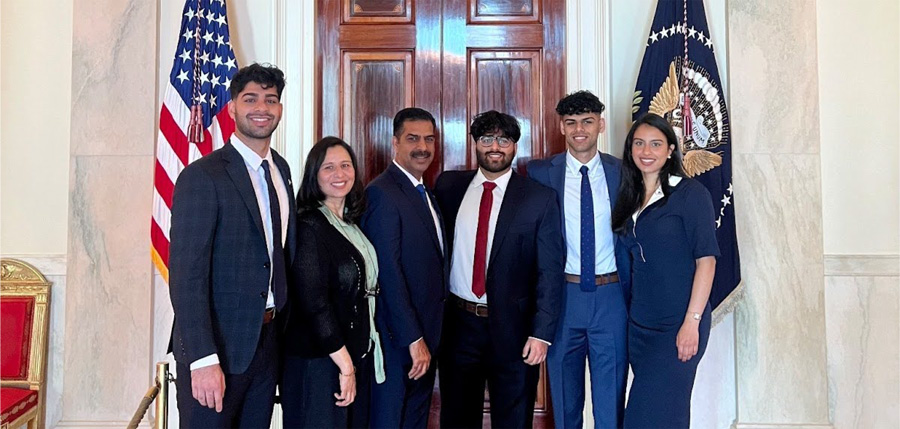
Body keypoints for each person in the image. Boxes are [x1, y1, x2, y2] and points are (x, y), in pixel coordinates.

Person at [168, 63, 293, 427]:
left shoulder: (281, 171)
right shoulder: (202, 176)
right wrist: (203, 359)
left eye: (271, 100)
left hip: (267, 345)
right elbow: (187, 276)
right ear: (233, 107)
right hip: (217, 350)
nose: (262, 108)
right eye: (250, 98)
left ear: (280, 110)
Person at [433, 111, 564, 428]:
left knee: (513, 419)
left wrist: (542, 333)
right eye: (487, 138)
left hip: (515, 330)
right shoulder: (449, 186)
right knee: (457, 417)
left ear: (515, 146)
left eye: (503, 139)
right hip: (459, 326)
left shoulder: (539, 198)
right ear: (476, 144)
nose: (495, 146)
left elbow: (550, 270)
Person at [527, 90, 631, 428]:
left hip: (611, 296)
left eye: (587, 121)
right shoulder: (540, 173)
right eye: (571, 123)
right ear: (561, 127)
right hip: (563, 298)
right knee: (565, 400)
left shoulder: (622, 172)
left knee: (609, 402)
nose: (579, 130)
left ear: (600, 124)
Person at [611, 113, 718, 428]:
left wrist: (691, 323)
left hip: (678, 326)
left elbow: (707, 261)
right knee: (659, 416)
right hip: (641, 326)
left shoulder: (690, 193)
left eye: (656, 144)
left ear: (671, 149)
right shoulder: (628, 194)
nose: (647, 151)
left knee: (649, 417)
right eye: (640, 143)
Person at [279, 137, 384, 428]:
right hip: (318, 364)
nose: (340, 174)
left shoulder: (350, 224)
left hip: (350, 357)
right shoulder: (309, 226)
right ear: (314, 175)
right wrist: (345, 366)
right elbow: (314, 304)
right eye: (329, 168)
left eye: (345, 165)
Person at [361, 107, 449, 428]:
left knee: (414, 420)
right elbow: (387, 272)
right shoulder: (381, 193)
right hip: (398, 341)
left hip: (427, 338)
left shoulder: (426, 193)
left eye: (429, 139)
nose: (422, 147)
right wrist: (413, 338)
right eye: (413, 139)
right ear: (395, 143)